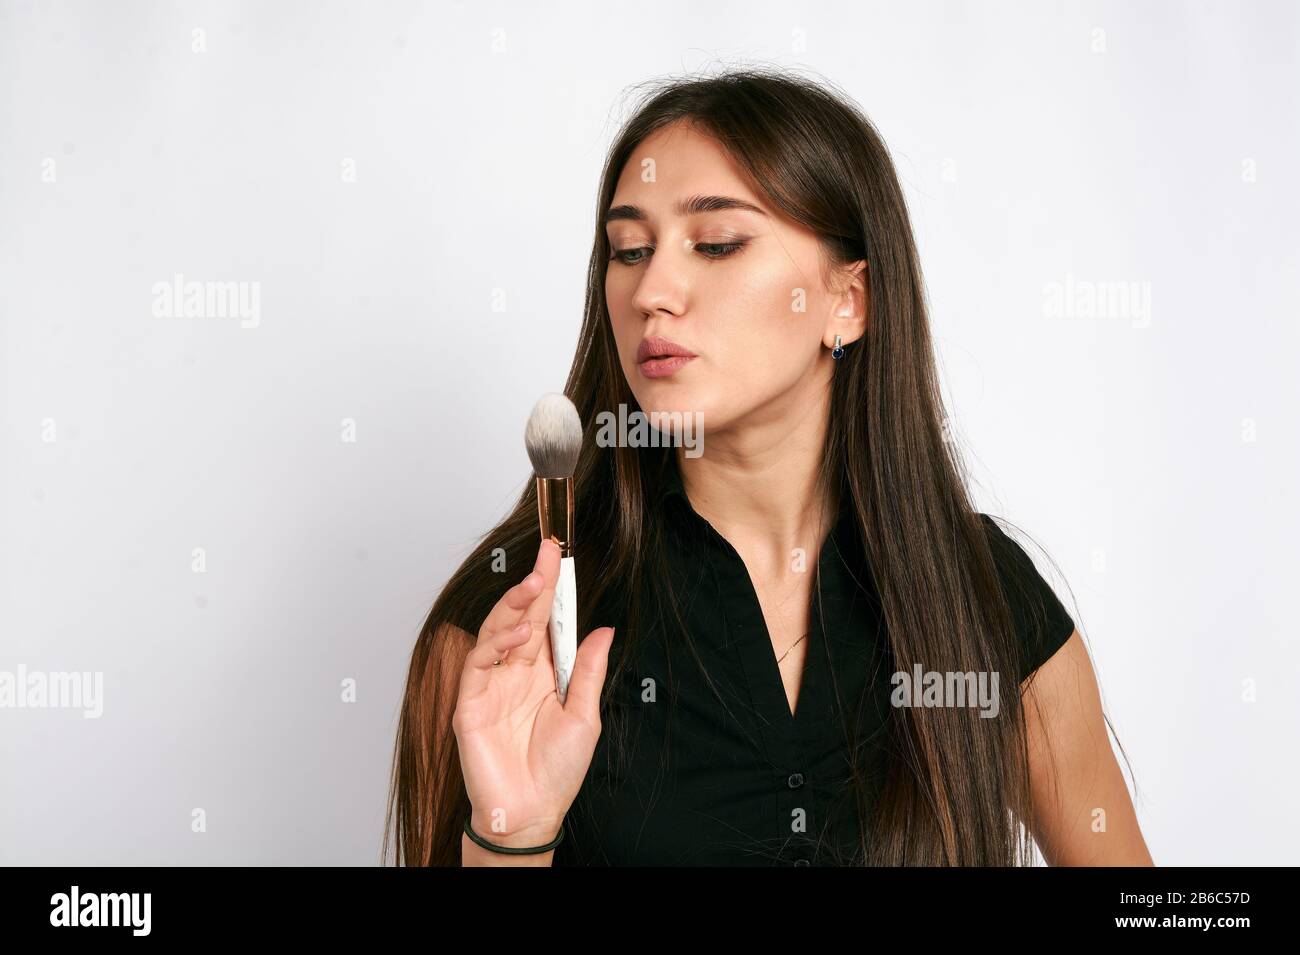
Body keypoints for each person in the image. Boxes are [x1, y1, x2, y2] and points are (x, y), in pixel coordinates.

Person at [384, 68, 1154, 867]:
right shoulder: (508, 632)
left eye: (716, 243)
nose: (654, 289)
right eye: (628, 250)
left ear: (847, 301)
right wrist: (512, 833)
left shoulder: (978, 595)